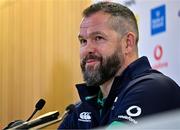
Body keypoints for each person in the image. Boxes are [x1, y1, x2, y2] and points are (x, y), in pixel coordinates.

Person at [58, 1, 180, 129]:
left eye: (98, 38)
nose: (87, 49)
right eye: (83, 41)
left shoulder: (152, 88)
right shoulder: (82, 109)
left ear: (127, 43)